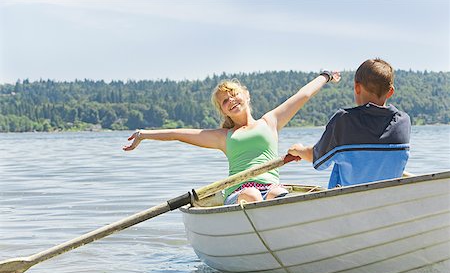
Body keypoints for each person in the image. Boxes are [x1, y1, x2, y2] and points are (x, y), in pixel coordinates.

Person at [123, 70, 341, 205]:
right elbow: (178, 134)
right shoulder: (224, 137)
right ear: (224, 112)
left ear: (246, 95)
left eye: (234, 94)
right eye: (225, 101)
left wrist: (325, 76)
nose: (231, 100)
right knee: (253, 196)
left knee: (278, 193)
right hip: (239, 192)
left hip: (270, 188)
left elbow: (302, 95)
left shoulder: (270, 122)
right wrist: (144, 135)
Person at [288, 58, 411, 189]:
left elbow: (317, 159)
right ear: (391, 91)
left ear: (357, 87)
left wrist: (298, 150)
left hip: (348, 202)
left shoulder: (344, 121)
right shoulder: (403, 121)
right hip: (388, 201)